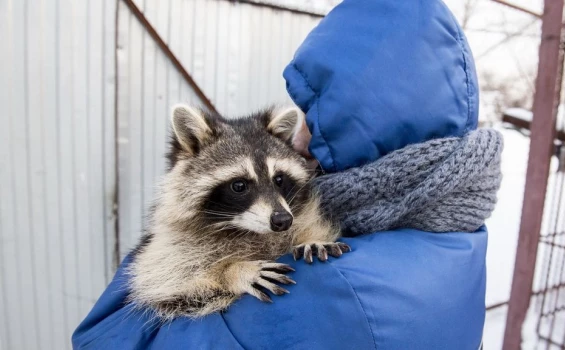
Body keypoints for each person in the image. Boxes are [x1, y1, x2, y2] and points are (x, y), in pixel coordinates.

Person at [73, 0, 503, 348]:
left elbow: (101, 340)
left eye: (315, 118)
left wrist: (216, 263)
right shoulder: (456, 235)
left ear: (364, 127)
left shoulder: (329, 286)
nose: (298, 141)